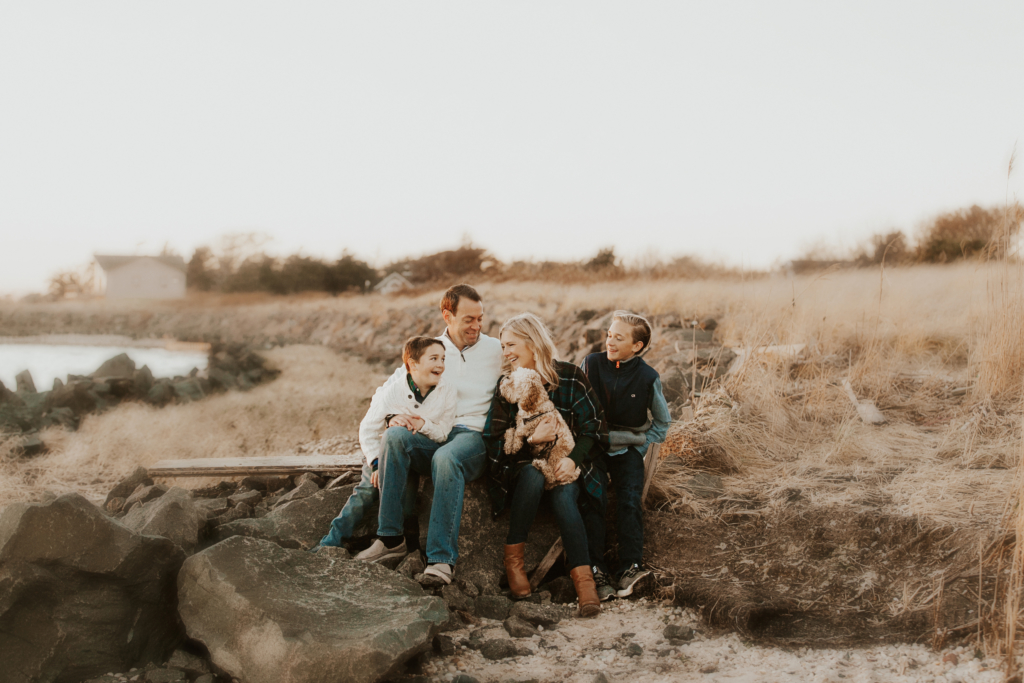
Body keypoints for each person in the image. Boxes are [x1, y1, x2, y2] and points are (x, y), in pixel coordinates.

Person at [357, 284, 502, 586]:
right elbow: (390, 389)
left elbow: (532, 367)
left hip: (470, 438)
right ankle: (390, 539)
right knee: (395, 438)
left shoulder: (495, 350)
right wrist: (389, 417)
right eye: (468, 319)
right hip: (432, 432)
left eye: (480, 318)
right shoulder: (430, 350)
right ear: (447, 315)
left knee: (447, 458)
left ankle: (440, 560)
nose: (476, 326)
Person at [483, 312, 608, 617]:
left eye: (511, 344)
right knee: (534, 476)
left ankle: (585, 585)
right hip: (523, 468)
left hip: (568, 464)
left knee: (566, 496)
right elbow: (494, 438)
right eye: (503, 346)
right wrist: (529, 440)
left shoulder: (570, 376)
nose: (506, 352)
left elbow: (594, 428)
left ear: (533, 342)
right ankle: (514, 563)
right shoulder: (509, 386)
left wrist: (571, 459)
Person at [315, 336, 456, 555]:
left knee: (408, 505)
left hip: (419, 451)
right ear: (413, 364)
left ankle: (403, 546)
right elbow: (368, 430)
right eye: (434, 358)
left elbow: (443, 433)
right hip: (384, 452)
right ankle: (331, 542)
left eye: (443, 359)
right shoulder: (392, 392)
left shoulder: (446, 390)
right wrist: (375, 463)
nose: (441, 364)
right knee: (366, 491)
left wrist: (422, 424)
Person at [580, 311, 671, 599]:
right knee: (594, 498)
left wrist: (641, 446)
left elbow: (663, 421)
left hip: (627, 448)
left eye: (619, 338)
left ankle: (630, 567)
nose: (610, 341)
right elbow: (577, 404)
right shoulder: (591, 363)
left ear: (637, 346)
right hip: (593, 444)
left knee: (630, 499)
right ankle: (597, 568)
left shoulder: (647, 377)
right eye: (609, 335)